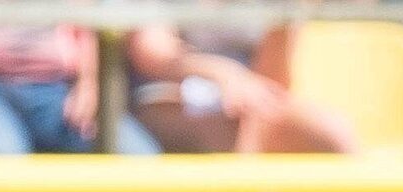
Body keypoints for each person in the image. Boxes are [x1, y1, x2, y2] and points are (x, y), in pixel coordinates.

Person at [126, 16, 355, 154]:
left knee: (332, 136)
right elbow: (152, 54)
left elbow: (274, 83)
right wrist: (224, 74)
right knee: (236, 133)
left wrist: (287, 19)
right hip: (167, 93)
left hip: (251, 97)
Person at [0, 16, 159, 154]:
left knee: (138, 155)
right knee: (5, 158)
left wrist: (88, 85)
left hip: (59, 89)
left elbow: (90, 24)